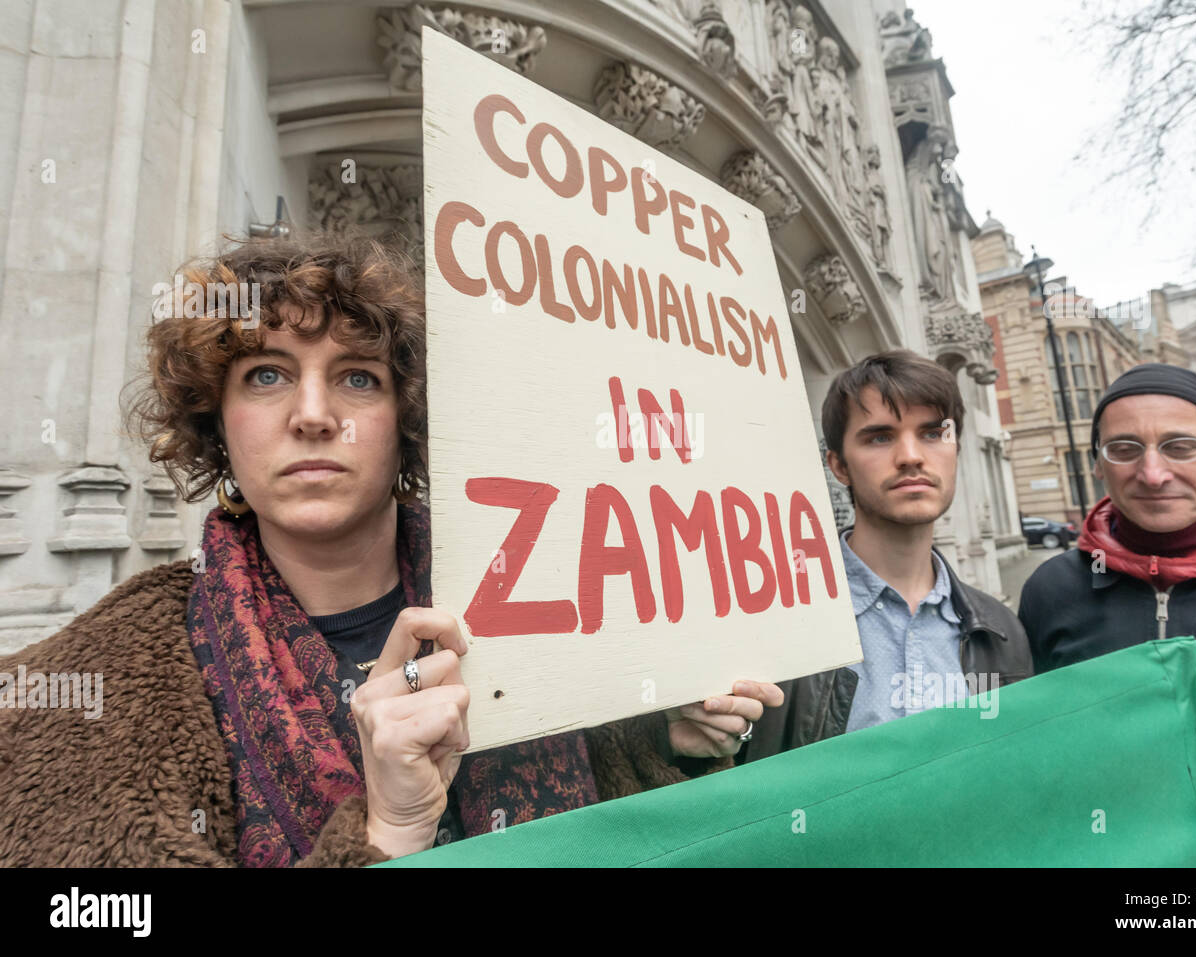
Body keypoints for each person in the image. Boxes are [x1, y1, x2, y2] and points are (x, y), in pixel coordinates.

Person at [0, 231, 783, 867]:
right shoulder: (98, 685)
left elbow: (641, 830)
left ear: (407, 417)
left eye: (358, 379)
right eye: (267, 374)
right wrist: (384, 833)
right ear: (217, 420)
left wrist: (671, 745)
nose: (313, 415)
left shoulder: (550, 611)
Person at [1019, 363, 1196, 867]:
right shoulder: (1053, 589)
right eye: (1125, 450)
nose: (1152, 473)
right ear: (1099, 464)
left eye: (1181, 446)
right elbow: (1035, 755)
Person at [739, 350, 1032, 762]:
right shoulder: (774, 619)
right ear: (838, 466)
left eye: (932, 433)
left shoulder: (1002, 631)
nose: (911, 455)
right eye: (880, 437)